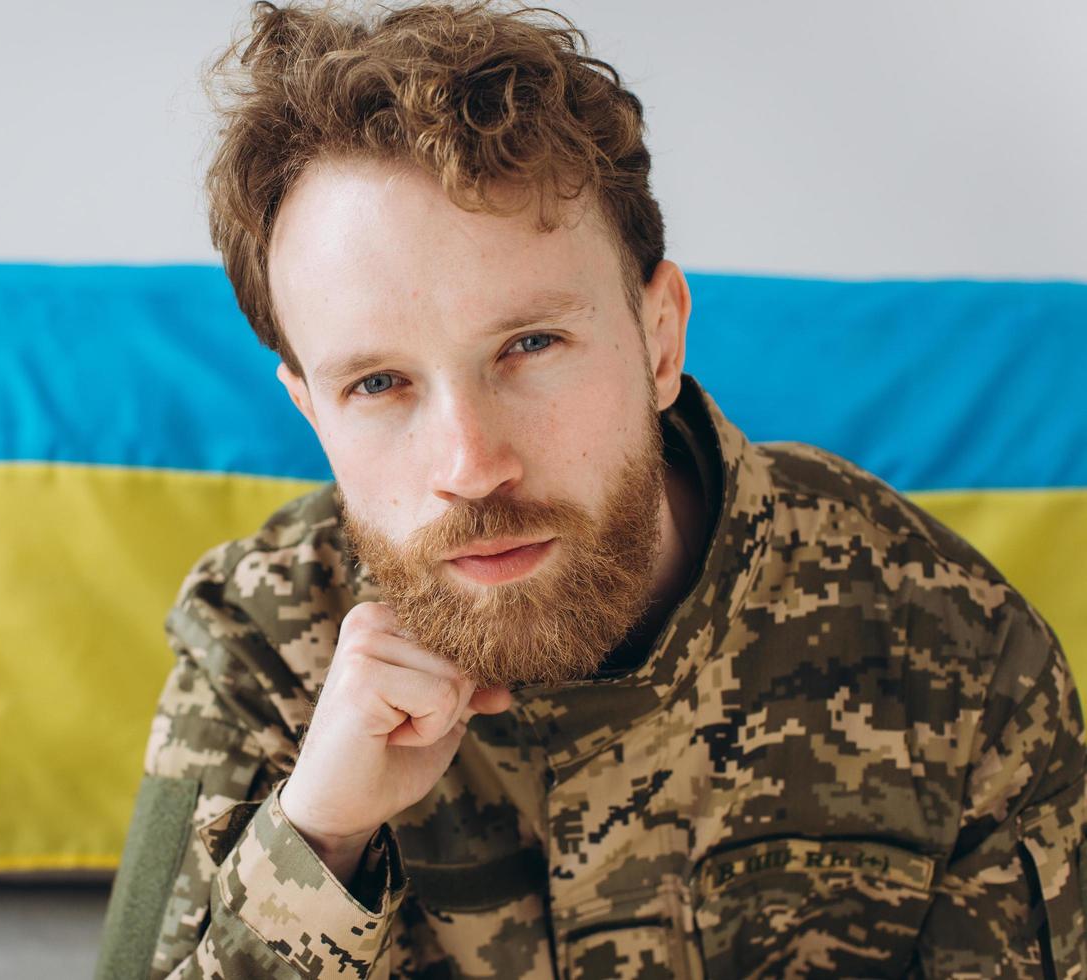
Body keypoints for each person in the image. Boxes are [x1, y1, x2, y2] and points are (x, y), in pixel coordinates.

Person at [94, 2, 1087, 977]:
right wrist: (319, 840)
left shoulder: (954, 648)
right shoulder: (253, 648)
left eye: (530, 345)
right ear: (312, 412)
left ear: (659, 339)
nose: (472, 464)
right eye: (380, 383)